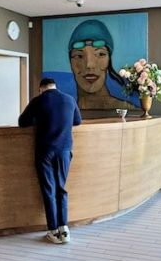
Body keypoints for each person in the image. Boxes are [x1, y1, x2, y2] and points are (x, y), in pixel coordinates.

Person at [18, 77, 82, 244]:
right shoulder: (69, 99)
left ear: (41, 89)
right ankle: (64, 229)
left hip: (45, 150)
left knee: (49, 189)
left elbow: (22, 122)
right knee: (61, 188)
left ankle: (53, 231)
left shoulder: (38, 101)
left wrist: (38, 120)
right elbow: (77, 121)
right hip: (65, 150)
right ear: (55, 86)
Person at [66, 19, 135, 111]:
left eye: (101, 54)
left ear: (109, 60)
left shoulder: (126, 108)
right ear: (71, 63)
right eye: (79, 56)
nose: (89, 64)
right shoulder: (67, 112)